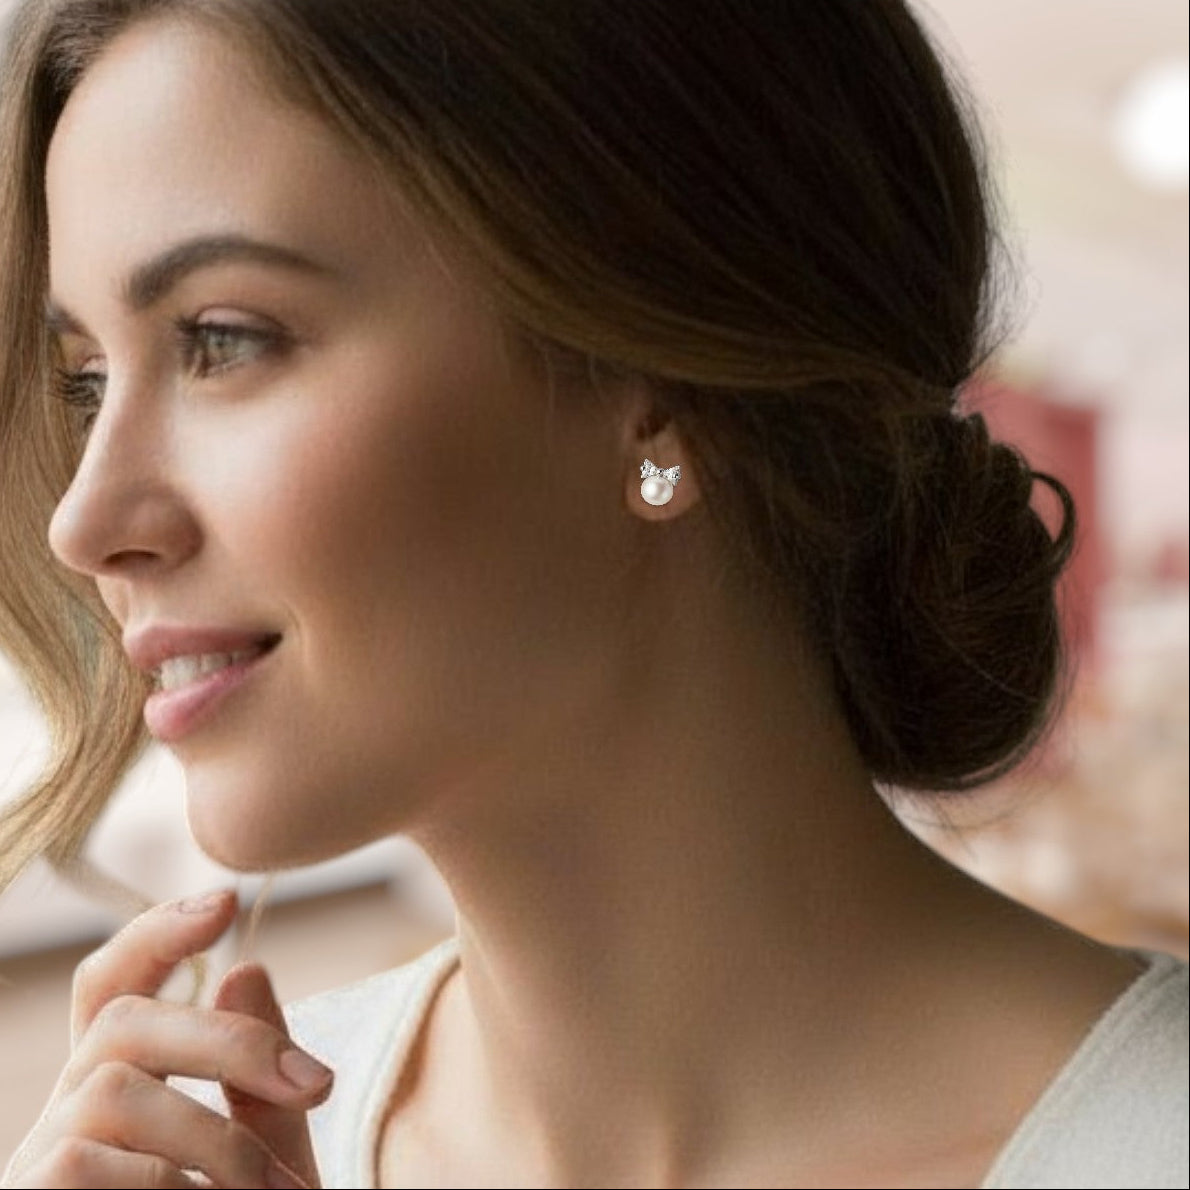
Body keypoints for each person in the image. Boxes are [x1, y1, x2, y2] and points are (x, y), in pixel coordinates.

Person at [0, 0, 1185, 1187]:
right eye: (89, 384)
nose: (85, 520)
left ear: (660, 396)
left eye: (222, 338)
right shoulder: (198, 1152)